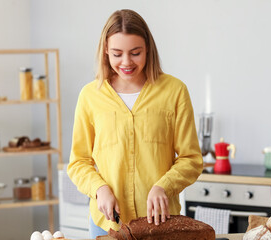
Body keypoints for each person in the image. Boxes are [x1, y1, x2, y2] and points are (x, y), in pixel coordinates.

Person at [67, 9, 203, 238]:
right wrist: (98, 189)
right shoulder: (90, 96)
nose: (126, 62)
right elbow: (78, 162)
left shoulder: (174, 91)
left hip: (161, 224)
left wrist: (164, 186)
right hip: (107, 224)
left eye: (135, 52)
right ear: (105, 52)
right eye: (117, 54)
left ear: (148, 49)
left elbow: (191, 159)